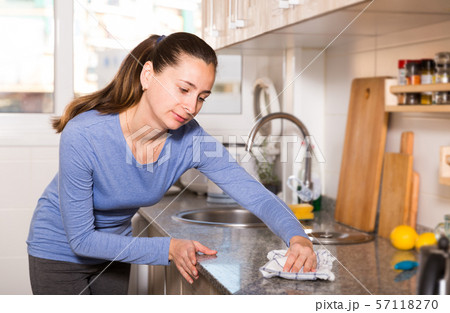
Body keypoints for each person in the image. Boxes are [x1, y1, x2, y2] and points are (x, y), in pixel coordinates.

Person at [26, 32, 316, 295]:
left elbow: (254, 194)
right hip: (58, 251)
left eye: (202, 97)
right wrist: (169, 248)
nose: (191, 107)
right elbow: (81, 240)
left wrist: (298, 237)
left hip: (117, 253)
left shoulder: (190, 140)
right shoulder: (85, 134)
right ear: (148, 76)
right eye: (183, 89)